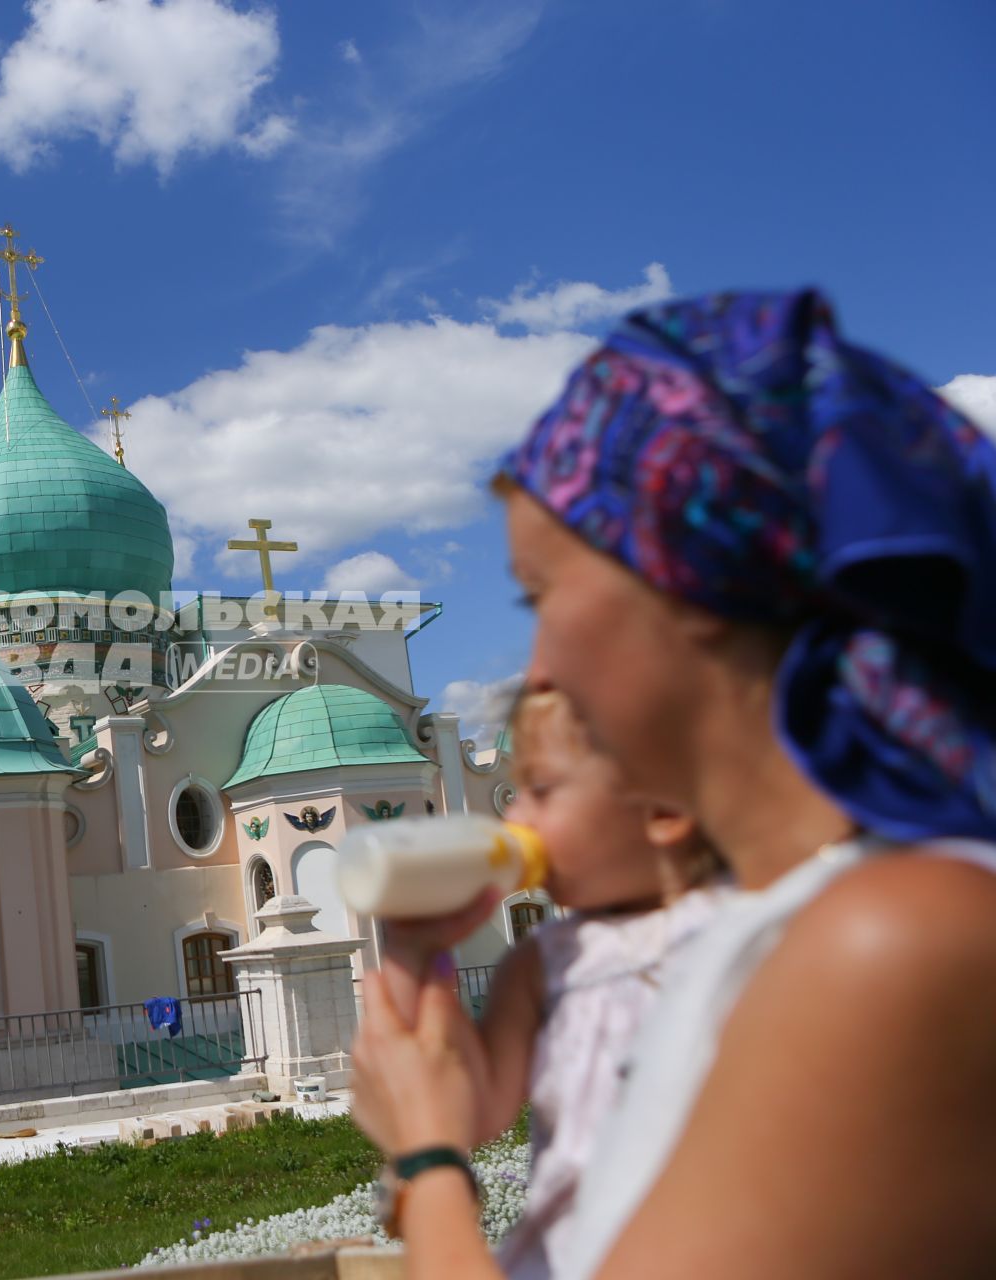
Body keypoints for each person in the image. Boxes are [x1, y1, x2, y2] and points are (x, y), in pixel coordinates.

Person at [348, 289, 996, 1278]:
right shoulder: (781, 919)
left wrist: (432, 1159)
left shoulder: (891, 938)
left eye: (542, 595)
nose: (541, 665)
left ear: (683, 588)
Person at [377, 690, 730, 1277]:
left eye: (540, 791)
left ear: (663, 808)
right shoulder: (540, 965)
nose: (514, 817)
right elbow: (478, 1110)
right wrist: (417, 955)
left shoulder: (740, 932)